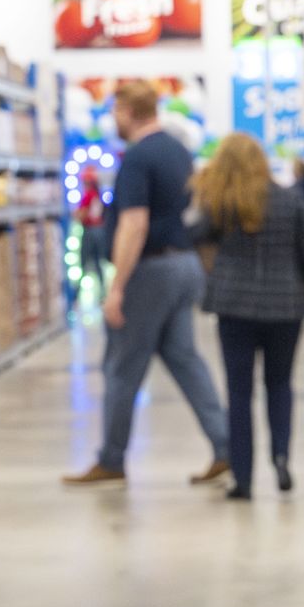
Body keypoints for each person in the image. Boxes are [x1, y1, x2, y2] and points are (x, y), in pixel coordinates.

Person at [63, 82, 230, 487]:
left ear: (126, 111)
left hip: (149, 272)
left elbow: (133, 223)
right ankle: (227, 447)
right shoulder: (177, 151)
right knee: (185, 360)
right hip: (184, 264)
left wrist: (117, 286)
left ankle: (112, 459)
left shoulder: (137, 158)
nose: (114, 119)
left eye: (117, 110)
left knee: (121, 366)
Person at [191, 134, 304, 500]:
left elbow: (190, 232)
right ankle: (282, 458)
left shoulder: (222, 204)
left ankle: (243, 478)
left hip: (234, 307)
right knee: (280, 384)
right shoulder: (290, 200)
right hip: (285, 306)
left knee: (239, 393)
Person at [74, 166, 107, 295]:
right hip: (99, 231)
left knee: (84, 262)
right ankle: (103, 293)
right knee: (98, 262)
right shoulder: (98, 195)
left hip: (90, 231)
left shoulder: (88, 195)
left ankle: (76, 295)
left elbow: (82, 214)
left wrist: (76, 214)